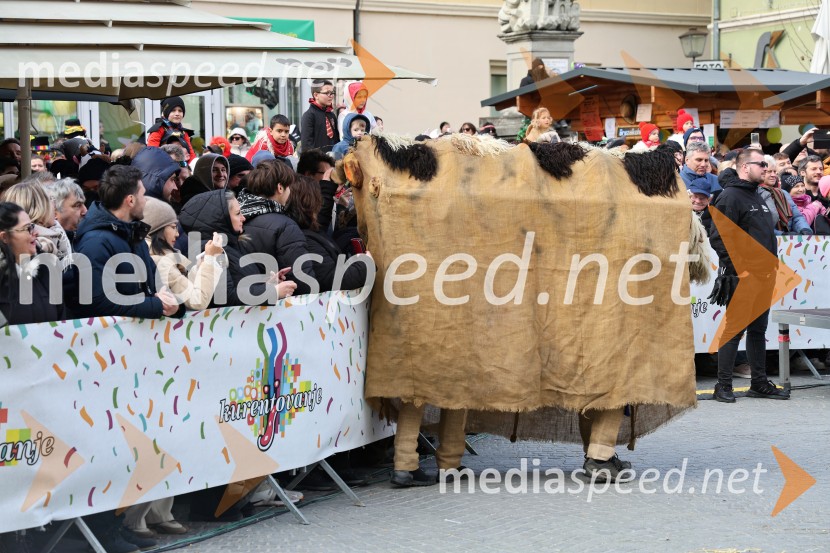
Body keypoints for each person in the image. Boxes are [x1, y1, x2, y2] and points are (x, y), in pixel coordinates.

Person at [707, 149, 790, 403]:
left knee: (757, 330)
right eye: (761, 164)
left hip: (765, 274)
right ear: (745, 167)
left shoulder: (757, 195)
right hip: (744, 276)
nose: (766, 168)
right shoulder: (730, 197)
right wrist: (739, 268)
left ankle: (759, 383)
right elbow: (718, 236)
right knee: (734, 330)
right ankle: (723, 386)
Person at [71, 165, 181, 319]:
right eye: (143, 195)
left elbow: (155, 282)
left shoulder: (134, 233)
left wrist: (172, 303)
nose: (146, 201)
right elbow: (98, 302)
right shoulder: (95, 243)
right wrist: (156, 305)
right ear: (130, 200)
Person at [178, 189, 296, 306]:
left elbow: (240, 285)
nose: (243, 218)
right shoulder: (211, 250)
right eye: (237, 213)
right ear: (222, 219)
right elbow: (225, 297)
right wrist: (272, 292)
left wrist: (269, 283)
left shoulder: (232, 244)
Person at [237, 161, 314, 295]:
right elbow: (303, 279)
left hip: (245, 301)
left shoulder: (237, 217)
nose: (290, 191)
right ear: (280, 188)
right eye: (288, 187)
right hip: (278, 307)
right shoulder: (285, 225)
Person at [284, 175, 370, 292]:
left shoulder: (306, 227)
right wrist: (365, 264)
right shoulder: (304, 239)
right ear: (310, 201)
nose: (320, 201)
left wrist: (328, 185)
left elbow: (322, 218)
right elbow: (331, 279)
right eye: (318, 196)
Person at [142, 197, 222, 311]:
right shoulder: (161, 262)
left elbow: (186, 290)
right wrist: (209, 260)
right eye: (173, 227)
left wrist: (200, 267)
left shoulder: (157, 257)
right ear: (158, 230)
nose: (177, 234)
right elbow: (197, 300)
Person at [0, 202, 61, 326]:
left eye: (32, 227)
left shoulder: (44, 269)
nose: (35, 233)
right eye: (27, 228)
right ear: (5, 237)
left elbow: (62, 318)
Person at [2, 182, 73, 267]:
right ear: (39, 207)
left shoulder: (56, 236)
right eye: (51, 199)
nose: (55, 205)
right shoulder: (39, 247)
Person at [146, 97, 196, 161]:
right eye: (173, 110)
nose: (177, 114)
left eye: (180, 111)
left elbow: (191, 154)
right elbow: (152, 153)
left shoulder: (184, 132)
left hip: (182, 166)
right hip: (164, 166)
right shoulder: (159, 129)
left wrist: (192, 167)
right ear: (166, 112)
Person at [300, 80, 339, 153]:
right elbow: (306, 145)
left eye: (332, 93)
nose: (331, 96)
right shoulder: (309, 115)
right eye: (327, 93)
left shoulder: (331, 115)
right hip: (317, 160)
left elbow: (336, 139)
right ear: (316, 95)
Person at [43, 178, 87, 242]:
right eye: (77, 205)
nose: (85, 211)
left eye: (83, 204)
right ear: (54, 211)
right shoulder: (45, 246)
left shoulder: (85, 238)